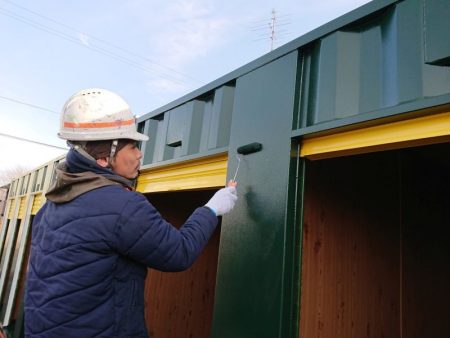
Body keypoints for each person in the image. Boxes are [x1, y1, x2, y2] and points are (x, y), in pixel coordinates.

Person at [24, 88, 237, 338]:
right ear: (104, 159)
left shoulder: (48, 208)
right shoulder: (122, 205)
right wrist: (211, 209)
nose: (139, 154)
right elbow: (179, 252)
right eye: (133, 147)